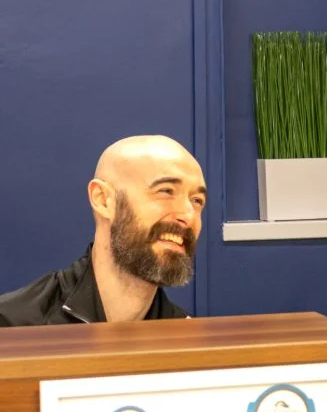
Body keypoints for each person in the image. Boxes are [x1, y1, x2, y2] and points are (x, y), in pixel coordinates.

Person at [0, 135, 206, 326]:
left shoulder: (187, 339)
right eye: (166, 191)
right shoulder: (12, 326)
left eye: (197, 200)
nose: (188, 215)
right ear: (103, 200)